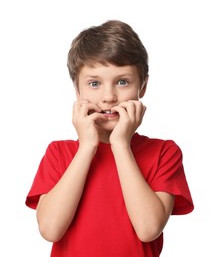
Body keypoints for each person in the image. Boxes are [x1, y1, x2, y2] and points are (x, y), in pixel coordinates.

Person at [25, 20, 194, 257]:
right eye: (94, 83)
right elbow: (50, 230)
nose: (109, 97)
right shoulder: (59, 153)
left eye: (122, 82)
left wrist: (121, 144)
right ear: (77, 90)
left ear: (142, 86)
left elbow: (148, 229)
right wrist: (87, 147)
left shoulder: (164, 152)